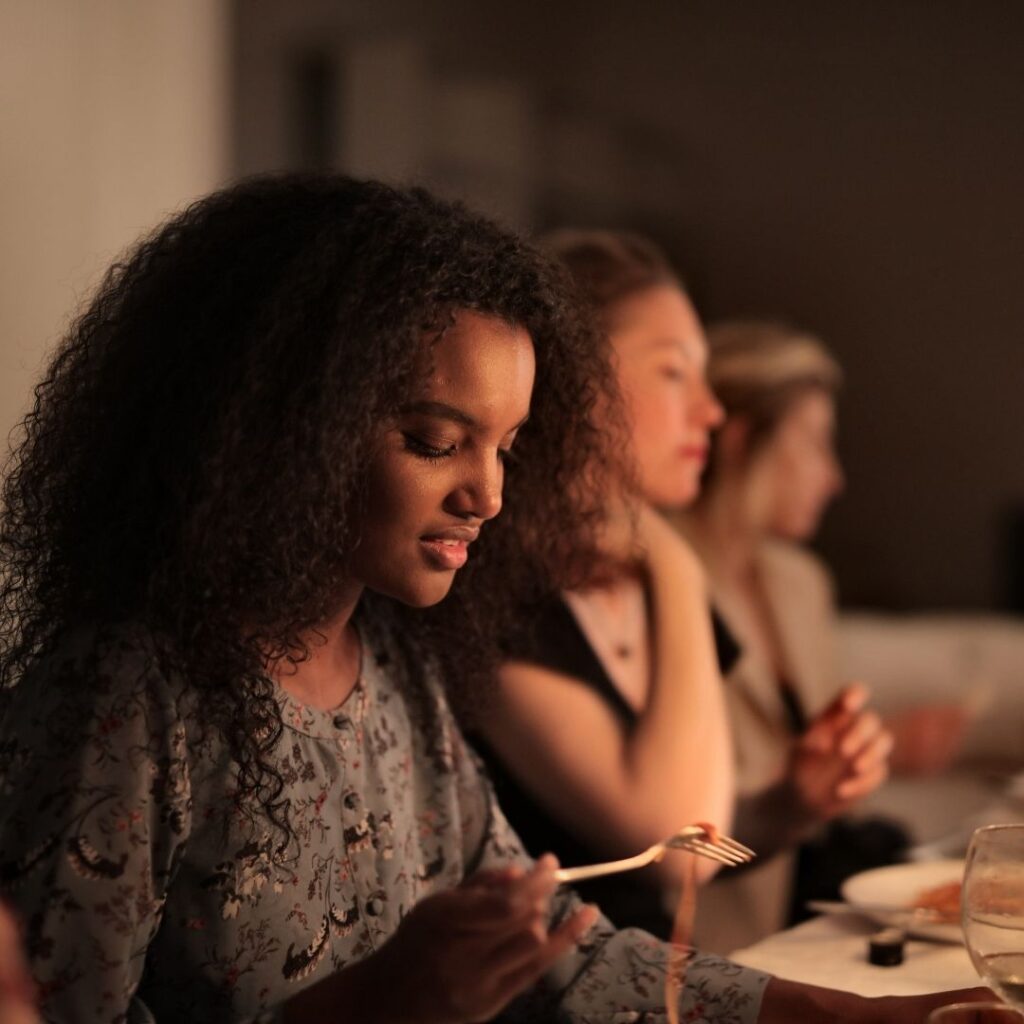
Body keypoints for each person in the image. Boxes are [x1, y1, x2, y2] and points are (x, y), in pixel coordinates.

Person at [0, 178, 988, 1023]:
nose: (489, 495)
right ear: (280, 429)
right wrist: (374, 1005)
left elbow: (571, 950)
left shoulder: (394, 659)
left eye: (506, 446)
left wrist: (868, 1014)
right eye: (436, 439)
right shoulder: (126, 696)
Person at [474, 232, 889, 948]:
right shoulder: (488, 592)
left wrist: (787, 805)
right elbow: (671, 836)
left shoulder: (636, 583)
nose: (711, 410)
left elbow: (690, 849)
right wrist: (673, 560)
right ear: (574, 379)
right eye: (675, 373)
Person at [673, 320, 948, 953]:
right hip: (713, 934)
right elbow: (684, 808)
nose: (834, 478)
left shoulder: (800, 581)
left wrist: (879, 749)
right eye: (816, 445)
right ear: (741, 441)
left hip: (816, 904)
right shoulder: (663, 577)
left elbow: (820, 763)